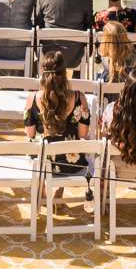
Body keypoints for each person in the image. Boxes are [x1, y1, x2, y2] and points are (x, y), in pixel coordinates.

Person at [26, 54, 94, 182]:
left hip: (42, 164)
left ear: (43, 74)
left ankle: (44, 192)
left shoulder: (32, 98)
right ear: (64, 74)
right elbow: (82, 134)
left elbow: (30, 134)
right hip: (73, 164)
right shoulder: (80, 98)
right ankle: (58, 191)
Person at [97, 20, 136, 85]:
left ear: (106, 41)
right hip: (129, 93)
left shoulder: (104, 58)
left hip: (107, 93)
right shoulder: (135, 57)